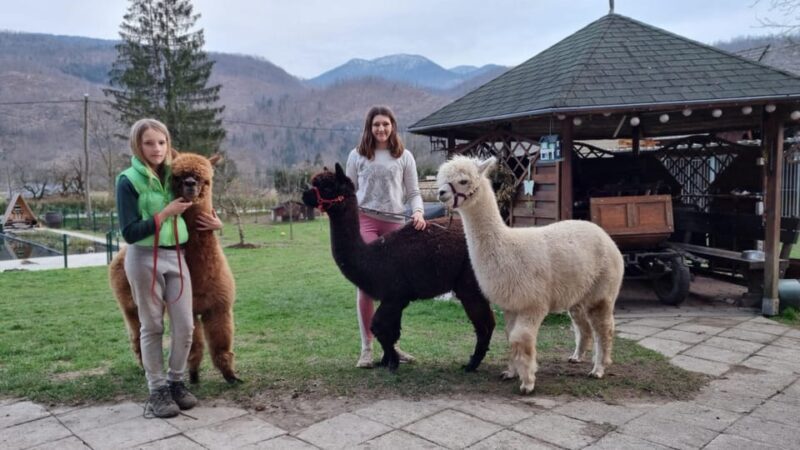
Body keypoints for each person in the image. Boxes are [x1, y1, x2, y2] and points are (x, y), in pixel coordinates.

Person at [116, 118, 221, 418]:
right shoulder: (128, 181)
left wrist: (217, 223)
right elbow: (129, 232)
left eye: (161, 142)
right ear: (138, 145)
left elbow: (199, 201)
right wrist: (165, 213)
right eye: (149, 143)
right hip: (143, 257)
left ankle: (176, 381)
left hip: (177, 255)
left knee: (185, 325)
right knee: (152, 326)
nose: (157, 149)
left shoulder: (174, 174)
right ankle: (158, 389)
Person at [345, 105, 427, 368]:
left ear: (393, 126)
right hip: (366, 222)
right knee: (367, 285)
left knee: (395, 289)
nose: (381, 128)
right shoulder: (357, 156)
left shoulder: (404, 156)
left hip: (395, 225)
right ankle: (366, 348)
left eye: (385, 124)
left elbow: (413, 192)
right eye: (376, 124)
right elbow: (348, 193)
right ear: (369, 127)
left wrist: (418, 212)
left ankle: (391, 345)